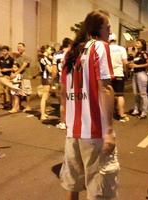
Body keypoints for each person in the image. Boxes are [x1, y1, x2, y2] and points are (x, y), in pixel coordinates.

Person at [60, 10, 119, 200]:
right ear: (97, 28)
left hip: (73, 132)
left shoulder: (70, 53)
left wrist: (66, 120)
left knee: (74, 184)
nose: (110, 31)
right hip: (94, 132)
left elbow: (62, 92)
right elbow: (106, 88)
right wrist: (108, 131)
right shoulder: (100, 47)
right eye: (107, 27)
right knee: (99, 188)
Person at [109, 33, 130, 122]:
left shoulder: (105, 48)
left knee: (108, 95)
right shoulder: (121, 49)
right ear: (116, 40)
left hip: (108, 75)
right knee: (120, 95)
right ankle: (121, 115)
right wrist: (126, 72)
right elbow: (125, 63)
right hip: (119, 74)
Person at [129, 39, 148, 119]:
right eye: (136, 42)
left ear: (142, 44)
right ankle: (136, 109)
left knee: (143, 94)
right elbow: (132, 63)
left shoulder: (144, 53)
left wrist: (137, 66)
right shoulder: (136, 53)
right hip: (134, 74)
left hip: (141, 74)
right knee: (136, 93)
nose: (136, 43)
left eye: (138, 43)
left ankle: (144, 112)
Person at [54, 38, 73, 130]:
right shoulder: (73, 53)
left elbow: (54, 70)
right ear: (70, 44)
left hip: (62, 79)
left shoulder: (56, 54)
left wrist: (53, 81)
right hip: (73, 80)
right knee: (73, 101)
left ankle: (62, 122)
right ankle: (72, 121)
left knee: (63, 102)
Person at [14, 42, 32, 112]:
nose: (19, 48)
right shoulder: (17, 58)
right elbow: (15, 66)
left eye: (21, 47)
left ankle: (28, 106)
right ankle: (18, 106)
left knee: (27, 92)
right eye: (18, 47)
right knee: (18, 92)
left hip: (25, 76)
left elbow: (23, 66)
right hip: (18, 78)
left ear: (24, 48)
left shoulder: (27, 57)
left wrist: (16, 73)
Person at [39, 45, 53, 121]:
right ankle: (42, 115)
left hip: (48, 78)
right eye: (50, 49)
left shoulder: (46, 58)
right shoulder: (43, 59)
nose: (51, 51)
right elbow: (50, 70)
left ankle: (44, 112)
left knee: (47, 96)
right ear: (46, 50)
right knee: (44, 96)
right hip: (46, 78)